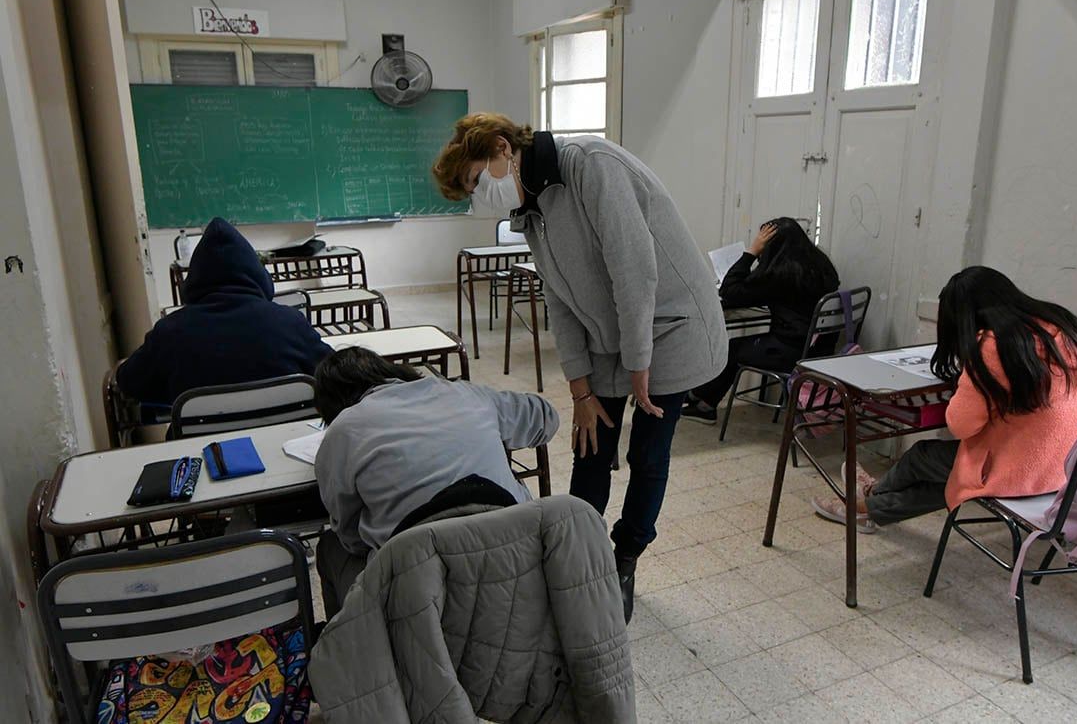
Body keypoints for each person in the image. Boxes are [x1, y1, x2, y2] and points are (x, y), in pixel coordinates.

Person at [432, 113, 726, 623]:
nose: (480, 197)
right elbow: (561, 301)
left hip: (669, 325)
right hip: (614, 331)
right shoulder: (533, 210)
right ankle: (576, 560)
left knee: (648, 451)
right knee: (591, 447)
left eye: (477, 181)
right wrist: (581, 391)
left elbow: (635, 271)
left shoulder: (590, 166)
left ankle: (625, 558)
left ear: (503, 149)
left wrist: (639, 364)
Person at [812, 266, 1077, 532]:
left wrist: (967, 378)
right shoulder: (1062, 326)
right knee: (950, 477)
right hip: (1065, 470)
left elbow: (960, 425)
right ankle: (870, 505)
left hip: (1019, 471)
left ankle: (867, 502)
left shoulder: (993, 346)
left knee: (922, 457)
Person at [312, 347, 559, 616]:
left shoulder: (342, 432)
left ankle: (350, 642)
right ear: (390, 371)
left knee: (330, 548)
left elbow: (350, 537)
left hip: (417, 594)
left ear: (329, 408)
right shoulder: (464, 393)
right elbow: (546, 418)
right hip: (517, 558)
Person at [117, 217, 332, 405]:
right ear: (257, 273)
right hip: (283, 445)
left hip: (199, 448)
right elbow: (331, 371)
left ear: (194, 280)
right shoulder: (290, 323)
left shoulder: (170, 333)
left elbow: (128, 383)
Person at [682, 217, 840, 424]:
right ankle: (699, 397)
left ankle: (704, 404)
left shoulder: (780, 274)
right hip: (818, 349)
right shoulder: (820, 264)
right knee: (737, 347)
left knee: (732, 348)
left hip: (791, 352)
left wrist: (750, 253)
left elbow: (730, 292)